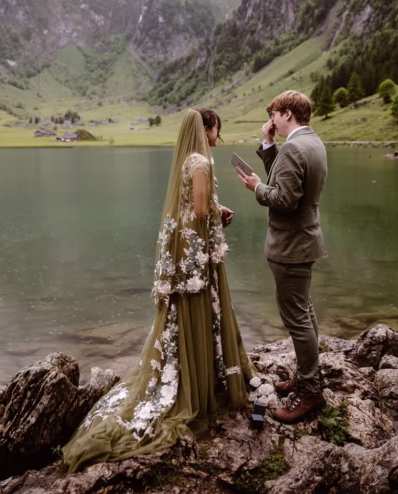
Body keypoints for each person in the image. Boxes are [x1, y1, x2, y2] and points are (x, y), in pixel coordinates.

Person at [62, 108, 255, 472]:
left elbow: (189, 206)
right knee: (199, 302)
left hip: (184, 245)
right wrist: (218, 211)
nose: (218, 137)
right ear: (207, 128)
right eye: (217, 130)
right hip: (195, 246)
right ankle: (198, 383)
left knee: (184, 308)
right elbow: (199, 209)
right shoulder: (201, 162)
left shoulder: (186, 161)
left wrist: (214, 207)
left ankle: (188, 368)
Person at [235, 90, 328, 423]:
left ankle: (311, 392)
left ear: (287, 114)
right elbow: (289, 179)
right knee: (305, 311)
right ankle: (308, 378)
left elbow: (284, 198)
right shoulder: (313, 143)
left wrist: (256, 188)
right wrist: (269, 145)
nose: (270, 119)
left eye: (273, 113)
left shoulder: (294, 148)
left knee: (297, 319)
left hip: (289, 246)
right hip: (306, 240)